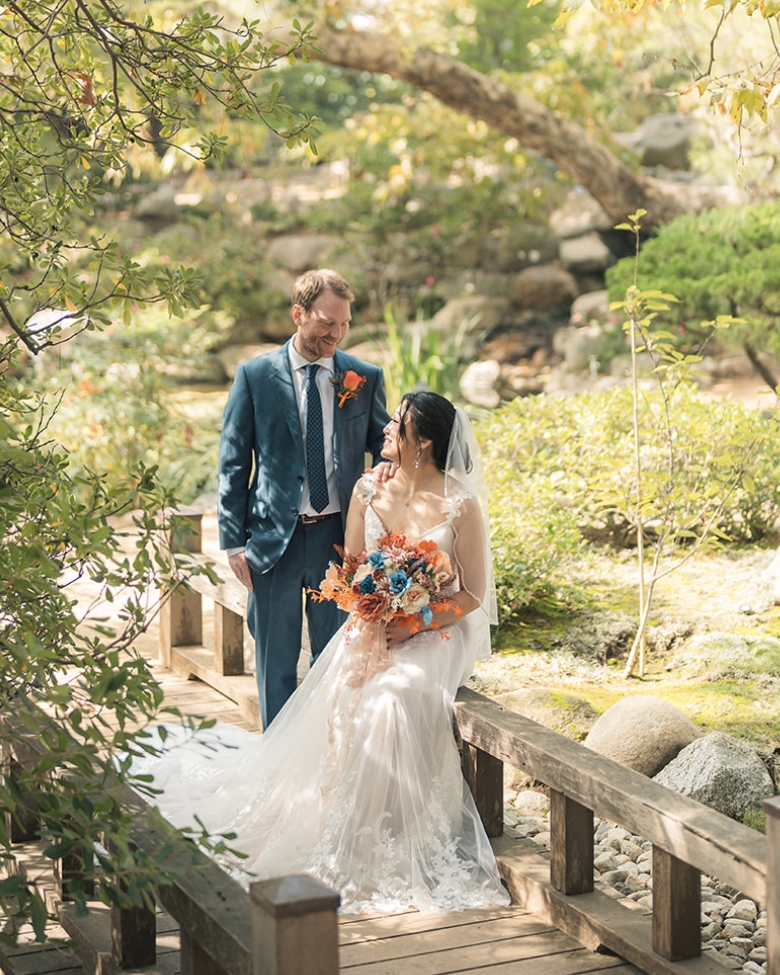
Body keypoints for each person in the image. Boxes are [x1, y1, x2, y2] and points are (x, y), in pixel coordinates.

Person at [133, 391, 509, 916]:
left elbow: (471, 595)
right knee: (349, 692)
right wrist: (376, 608)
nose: (384, 430)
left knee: (392, 701)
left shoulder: (460, 504)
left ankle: (380, 838)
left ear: (421, 441)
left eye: (395, 425)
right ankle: (343, 825)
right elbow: (354, 569)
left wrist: (416, 619)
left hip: (437, 629)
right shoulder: (366, 489)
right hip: (374, 619)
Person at [217, 269, 390, 727]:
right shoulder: (254, 376)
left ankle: (324, 756)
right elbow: (234, 462)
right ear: (299, 314)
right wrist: (233, 543)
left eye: (345, 324)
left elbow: (385, 440)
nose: (336, 333)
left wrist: (390, 464)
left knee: (333, 660)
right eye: (326, 323)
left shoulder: (363, 376)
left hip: (339, 540)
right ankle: (276, 760)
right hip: (274, 541)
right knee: (275, 661)